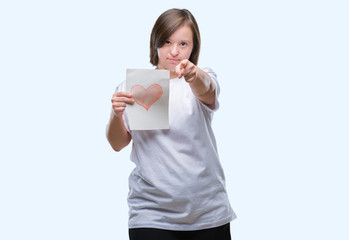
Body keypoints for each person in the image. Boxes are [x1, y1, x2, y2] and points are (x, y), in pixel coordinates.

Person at [106, 8, 236, 240]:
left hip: (207, 211)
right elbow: (117, 144)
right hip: (151, 213)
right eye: (167, 42)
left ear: (194, 47)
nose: (174, 51)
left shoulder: (202, 77)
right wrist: (116, 114)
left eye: (183, 44)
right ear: (155, 43)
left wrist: (194, 75)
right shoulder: (131, 86)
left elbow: (206, 88)